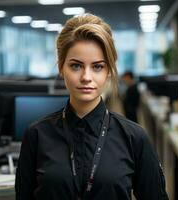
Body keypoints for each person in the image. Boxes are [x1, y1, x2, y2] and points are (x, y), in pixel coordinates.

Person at [15, 14, 168, 200]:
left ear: (109, 71)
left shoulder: (134, 137)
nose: (86, 77)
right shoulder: (36, 135)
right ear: (61, 67)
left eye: (97, 67)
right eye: (76, 66)